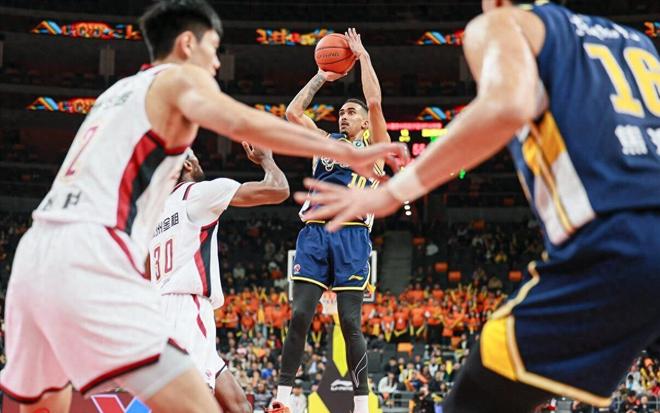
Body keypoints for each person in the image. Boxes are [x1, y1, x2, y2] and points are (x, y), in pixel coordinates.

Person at [0, 1, 407, 411]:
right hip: (97, 257)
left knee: (43, 404)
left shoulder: (113, 95)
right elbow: (244, 123)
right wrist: (336, 151)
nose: (216, 63)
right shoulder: (174, 84)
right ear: (187, 44)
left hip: (36, 252)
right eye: (213, 49)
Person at [296, 1, 660, 412]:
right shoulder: (636, 42)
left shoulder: (506, 24)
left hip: (617, 244)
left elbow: (504, 107)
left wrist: (392, 193)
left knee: (476, 395)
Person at [270, 28, 391, 413]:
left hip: (352, 236)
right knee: (300, 314)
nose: (344, 116)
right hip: (314, 234)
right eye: (341, 112)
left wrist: (364, 57)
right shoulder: (324, 142)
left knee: (350, 322)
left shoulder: (375, 149)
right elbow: (293, 113)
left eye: (351, 112)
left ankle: (360, 405)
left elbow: (374, 101)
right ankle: (281, 399)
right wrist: (322, 76)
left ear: (365, 124)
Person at [149, 144, 288, 413]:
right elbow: (279, 190)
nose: (200, 163)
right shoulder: (197, 193)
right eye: (196, 158)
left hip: (164, 310)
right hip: (186, 309)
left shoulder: (157, 213)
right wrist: (266, 159)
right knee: (193, 405)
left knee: (239, 405)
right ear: (187, 164)